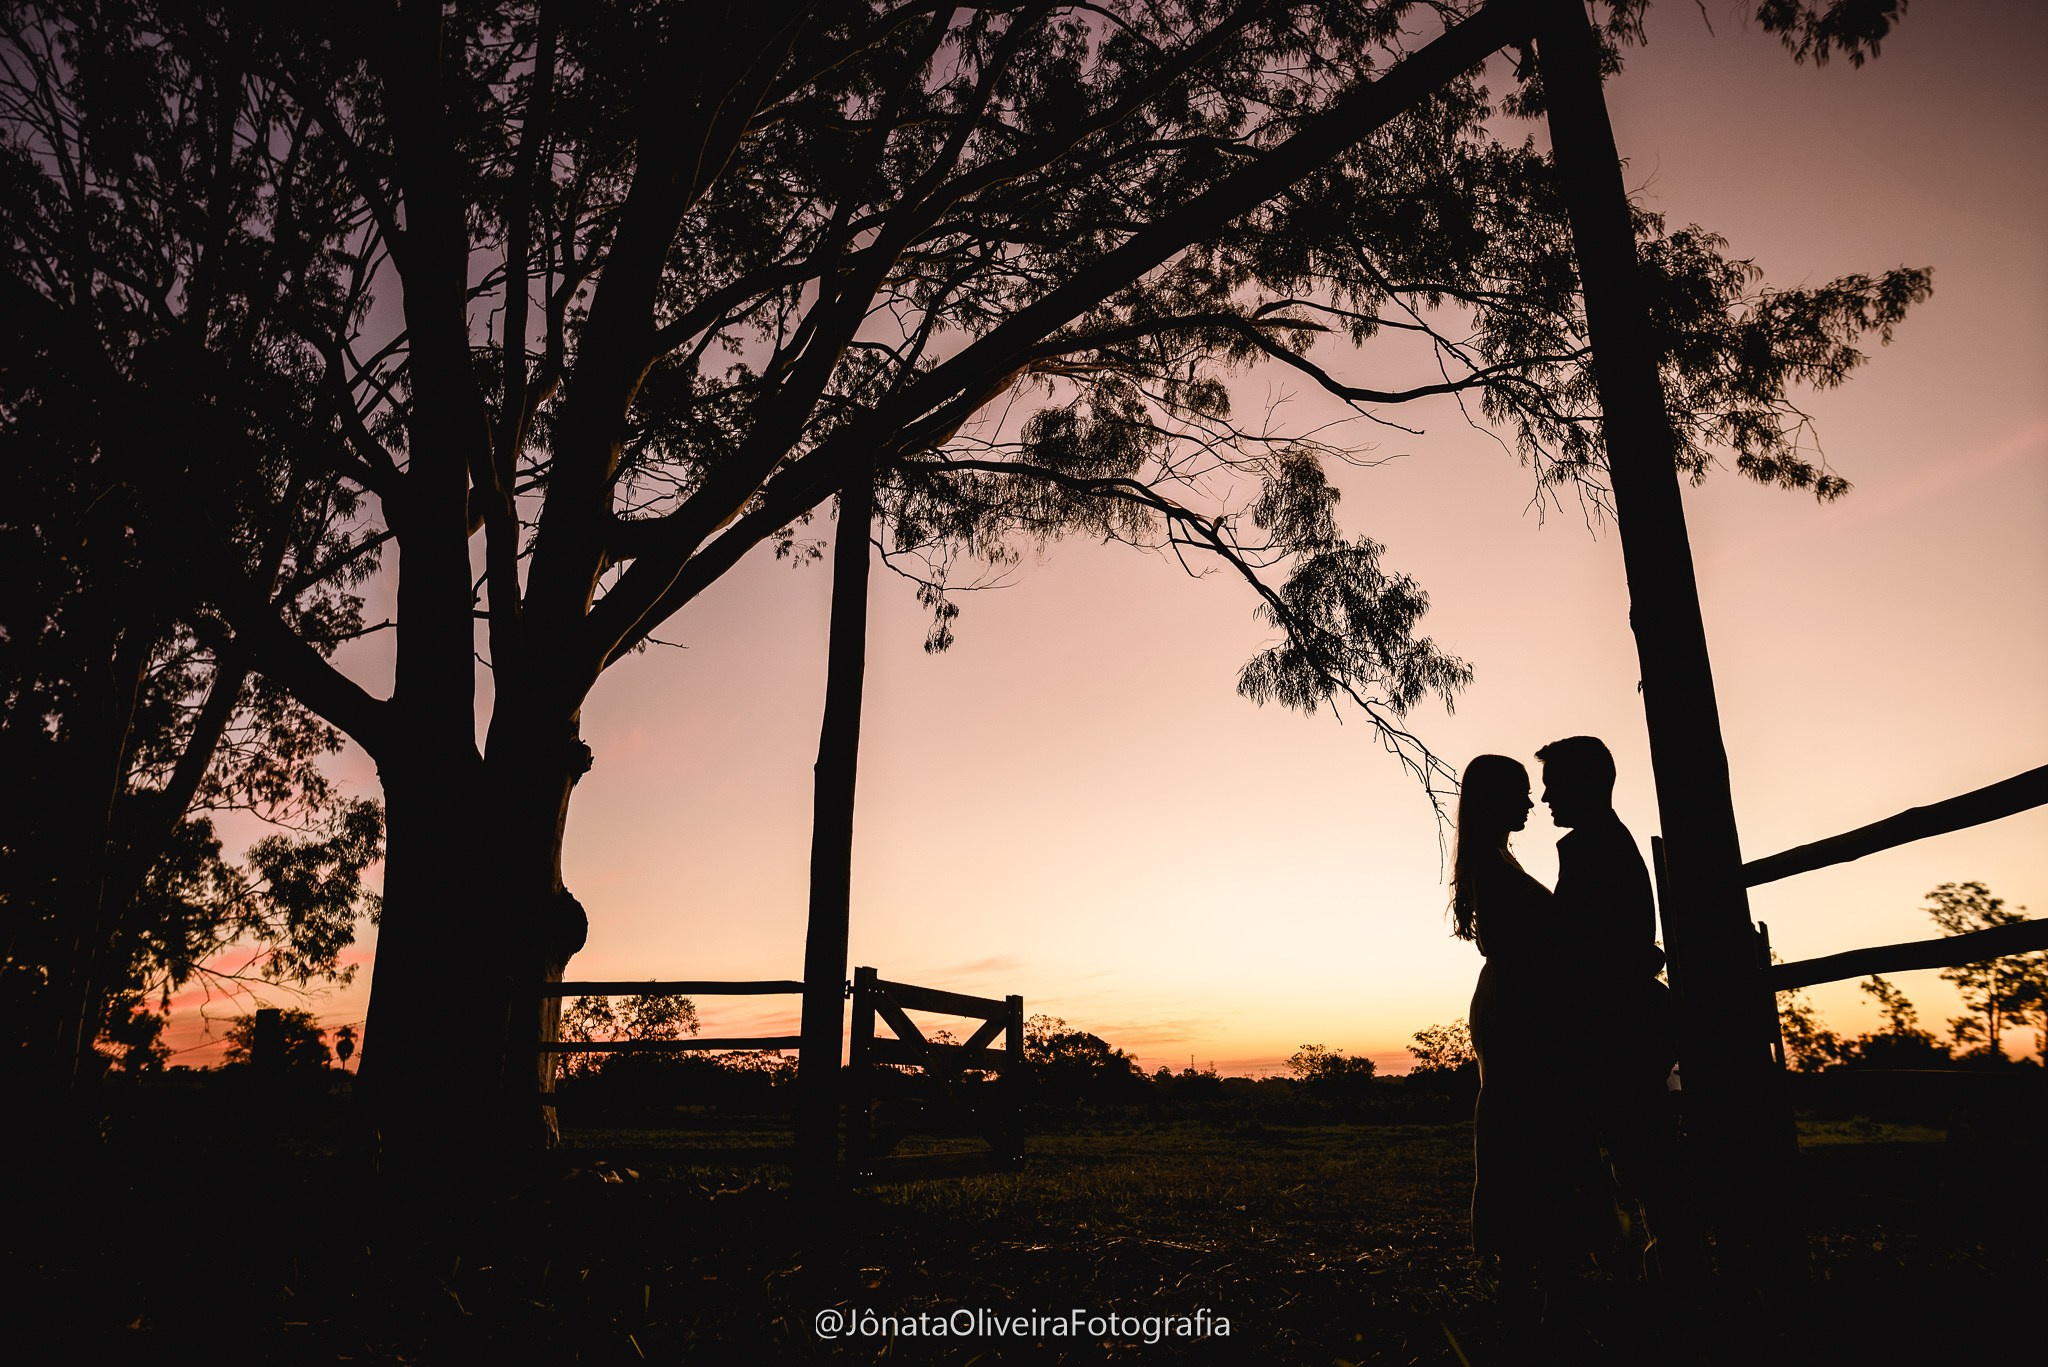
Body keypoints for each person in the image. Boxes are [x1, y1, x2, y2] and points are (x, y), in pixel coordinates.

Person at [1536, 735, 1697, 1286]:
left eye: (1554, 784)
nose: (1546, 796)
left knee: (1639, 1151)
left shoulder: (1591, 848)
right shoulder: (1608, 841)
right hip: (1622, 1016)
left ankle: (1672, 1268)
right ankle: (1665, 1262)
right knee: (1638, 1149)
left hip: (1615, 1024)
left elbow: (1577, 947)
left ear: (1585, 784)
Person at [1453, 753, 1610, 1311]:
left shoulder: (1497, 859)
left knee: (1531, 1130)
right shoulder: (1493, 866)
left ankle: (1534, 1263)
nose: (1529, 803)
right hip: (1517, 1009)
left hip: (1519, 1004)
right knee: (1529, 1130)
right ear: (1496, 799)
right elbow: (1529, 941)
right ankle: (1532, 1265)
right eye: (1519, 792)